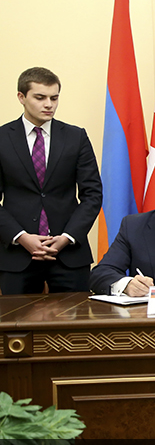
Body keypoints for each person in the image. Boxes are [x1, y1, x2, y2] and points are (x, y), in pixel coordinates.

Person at [0, 67, 102, 294]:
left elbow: (92, 195)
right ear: (21, 97)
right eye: (40, 97)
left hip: (69, 255)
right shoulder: (2, 139)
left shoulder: (76, 137)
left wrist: (67, 237)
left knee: (76, 325)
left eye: (54, 98)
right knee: (16, 326)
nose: (49, 104)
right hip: (17, 256)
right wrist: (21, 237)